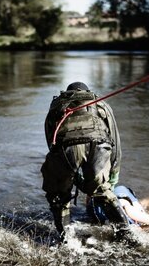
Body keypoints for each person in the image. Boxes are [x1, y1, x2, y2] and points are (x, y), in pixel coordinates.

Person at [41, 82, 126, 240]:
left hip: (66, 149)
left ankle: (66, 240)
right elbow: (116, 146)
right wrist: (111, 181)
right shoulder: (101, 105)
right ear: (88, 92)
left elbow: (51, 145)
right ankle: (126, 235)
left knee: (58, 195)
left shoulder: (57, 106)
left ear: (66, 94)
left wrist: (71, 178)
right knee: (102, 191)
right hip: (99, 146)